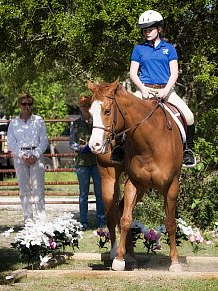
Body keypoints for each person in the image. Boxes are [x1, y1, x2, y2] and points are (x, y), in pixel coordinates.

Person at [112, 9, 196, 167]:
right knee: (123, 114)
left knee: (189, 116)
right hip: (144, 89)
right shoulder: (138, 49)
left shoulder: (169, 49)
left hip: (166, 90)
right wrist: (142, 89)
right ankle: (119, 148)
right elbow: (132, 73)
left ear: (159, 29)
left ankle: (188, 150)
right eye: (145, 30)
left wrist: (166, 90)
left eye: (150, 29)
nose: (147, 32)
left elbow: (174, 73)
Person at [7, 93, 49, 224]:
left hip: (36, 156)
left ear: (32, 105)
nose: (26, 106)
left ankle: (41, 219)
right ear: (19, 104)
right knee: (24, 190)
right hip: (21, 158)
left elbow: (44, 141)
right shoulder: (13, 123)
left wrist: (35, 155)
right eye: (24, 103)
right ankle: (28, 220)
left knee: (38, 189)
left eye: (29, 103)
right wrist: (22, 155)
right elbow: (10, 142)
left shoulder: (39, 121)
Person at [69, 95, 106, 230]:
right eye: (83, 105)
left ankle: (101, 221)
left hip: (97, 162)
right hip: (82, 162)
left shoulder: (97, 121)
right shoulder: (75, 124)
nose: (85, 108)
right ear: (80, 107)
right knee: (83, 194)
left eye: (88, 105)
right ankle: (83, 222)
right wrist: (79, 148)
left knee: (99, 193)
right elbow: (71, 143)